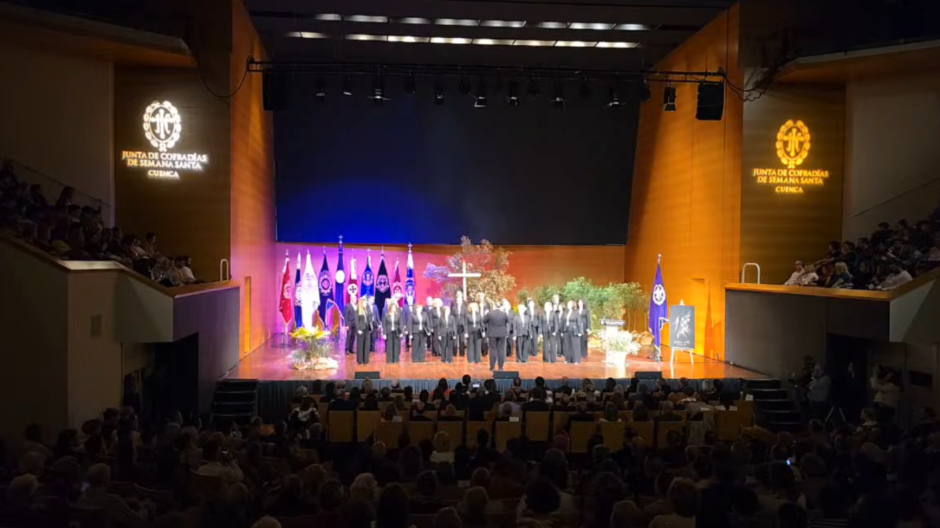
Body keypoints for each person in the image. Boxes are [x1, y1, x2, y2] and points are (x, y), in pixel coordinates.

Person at [77, 463, 148, 525]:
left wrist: (125, 501)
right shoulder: (113, 501)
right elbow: (138, 521)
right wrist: (145, 507)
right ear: (106, 480)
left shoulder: (82, 498)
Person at [484, 300, 510, 371]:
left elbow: (484, 321)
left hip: (492, 334)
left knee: (493, 350)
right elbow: (507, 321)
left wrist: (486, 314)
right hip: (502, 334)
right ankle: (501, 367)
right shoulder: (504, 314)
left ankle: (492, 367)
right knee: (501, 350)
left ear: (494, 306)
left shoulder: (490, 313)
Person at [356, 297, 374, 365]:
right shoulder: (358, 310)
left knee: (367, 344)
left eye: (366, 303)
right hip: (361, 329)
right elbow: (356, 320)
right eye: (364, 303)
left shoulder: (366, 310)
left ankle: (366, 359)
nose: (365, 304)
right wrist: (358, 329)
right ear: (361, 303)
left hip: (366, 328)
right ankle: (360, 360)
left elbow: (369, 318)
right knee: (360, 345)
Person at [452, 290, 468, 357]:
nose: (458, 301)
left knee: (462, 339)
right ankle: (454, 352)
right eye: (457, 300)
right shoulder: (454, 307)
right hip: (455, 324)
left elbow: (466, 316)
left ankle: (462, 353)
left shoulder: (464, 307)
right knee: (455, 339)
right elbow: (452, 315)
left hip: (462, 325)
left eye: (460, 300)